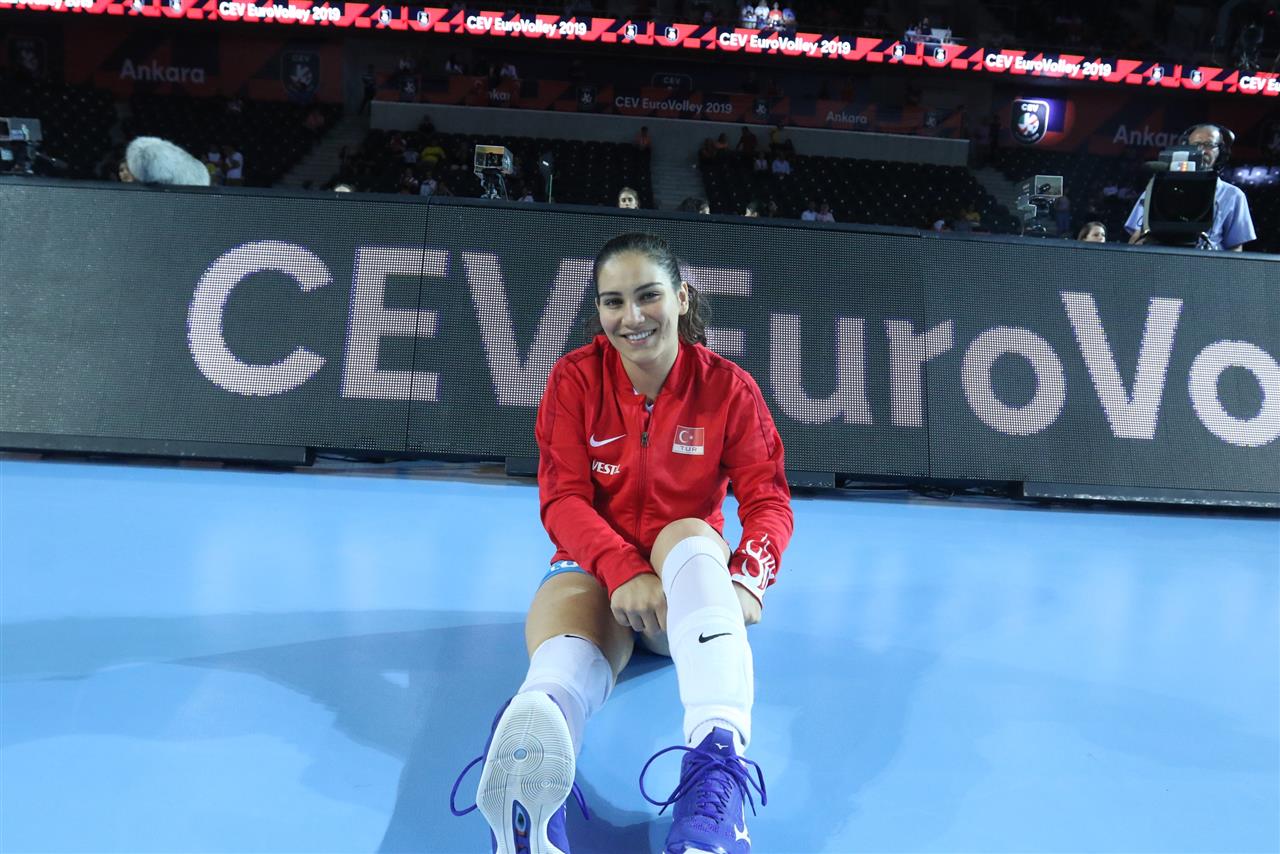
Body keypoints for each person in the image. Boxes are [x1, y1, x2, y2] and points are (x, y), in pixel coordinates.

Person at [450, 233, 793, 854]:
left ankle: (716, 778)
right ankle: (532, 779)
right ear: (600, 310)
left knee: (689, 534)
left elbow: (767, 500)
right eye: (613, 302)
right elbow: (563, 499)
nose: (632, 317)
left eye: (648, 296)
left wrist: (747, 577)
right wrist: (621, 568)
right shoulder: (575, 379)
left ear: (682, 298)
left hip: (680, 586)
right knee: (559, 667)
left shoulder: (728, 389)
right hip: (595, 570)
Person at [1124, 124, 1257, 251]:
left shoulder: (1234, 195)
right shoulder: (1156, 187)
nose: (1201, 151)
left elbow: (1235, 247)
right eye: (1195, 145)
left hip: (1207, 265)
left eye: (1209, 145)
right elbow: (1136, 236)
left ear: (1221, 152)